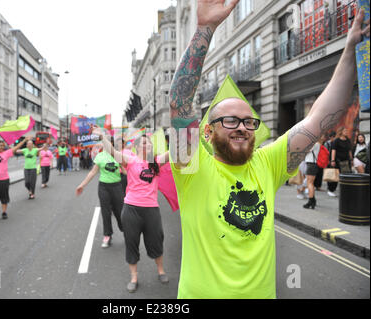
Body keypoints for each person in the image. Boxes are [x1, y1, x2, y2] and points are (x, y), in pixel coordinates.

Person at [168, 0, 369, 299]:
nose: (242, 127)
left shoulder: (267, 163)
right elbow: (180, 103)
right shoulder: (191, 168)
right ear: (207, 132)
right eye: (231, 120)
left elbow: (320, 117)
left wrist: (352, 49)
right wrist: (205, 30)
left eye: (249, 121)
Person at [92, 126, 170, 293]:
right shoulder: (130, 160)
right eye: (142, 143)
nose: (146, 145)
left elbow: (174, 154)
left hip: (151, 210)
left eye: (148, 143)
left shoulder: (156, 162)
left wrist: (187, 134)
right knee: (131, 243)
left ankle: (161, 270)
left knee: (157, 240)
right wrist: (103, 136)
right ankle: (134, 277)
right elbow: (112, 152)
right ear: (136, 147)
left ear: (151, 147)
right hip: (131, 209)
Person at [76, 137, 124, 248]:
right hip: (104, 187)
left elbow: (127, 170)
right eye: (103, 143)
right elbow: (93, 172)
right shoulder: (100, 156)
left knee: (119, 212)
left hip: (117, 187)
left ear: (111, 144)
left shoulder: (118, 155)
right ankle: (107, 235)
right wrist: (82, 185)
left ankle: (124, 229)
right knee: (105, 212)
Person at [303, 140, 323, 209]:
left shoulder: (314, 144)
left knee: (310, 183)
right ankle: (313, 200)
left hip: (311, 164)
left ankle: (310, 201)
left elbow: (305, 151)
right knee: (311, 183)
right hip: (313, 164)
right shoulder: (318, 143)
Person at [324, 131, 338, 197]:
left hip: (335, 160)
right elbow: (325, 153)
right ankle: (330, 188)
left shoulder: (336, 142)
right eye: (332, 137)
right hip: (329, 160)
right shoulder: (327, 143)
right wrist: (328, 160)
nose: (333, 138)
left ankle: (332, 188)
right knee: (330, 173)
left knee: (335, 174)